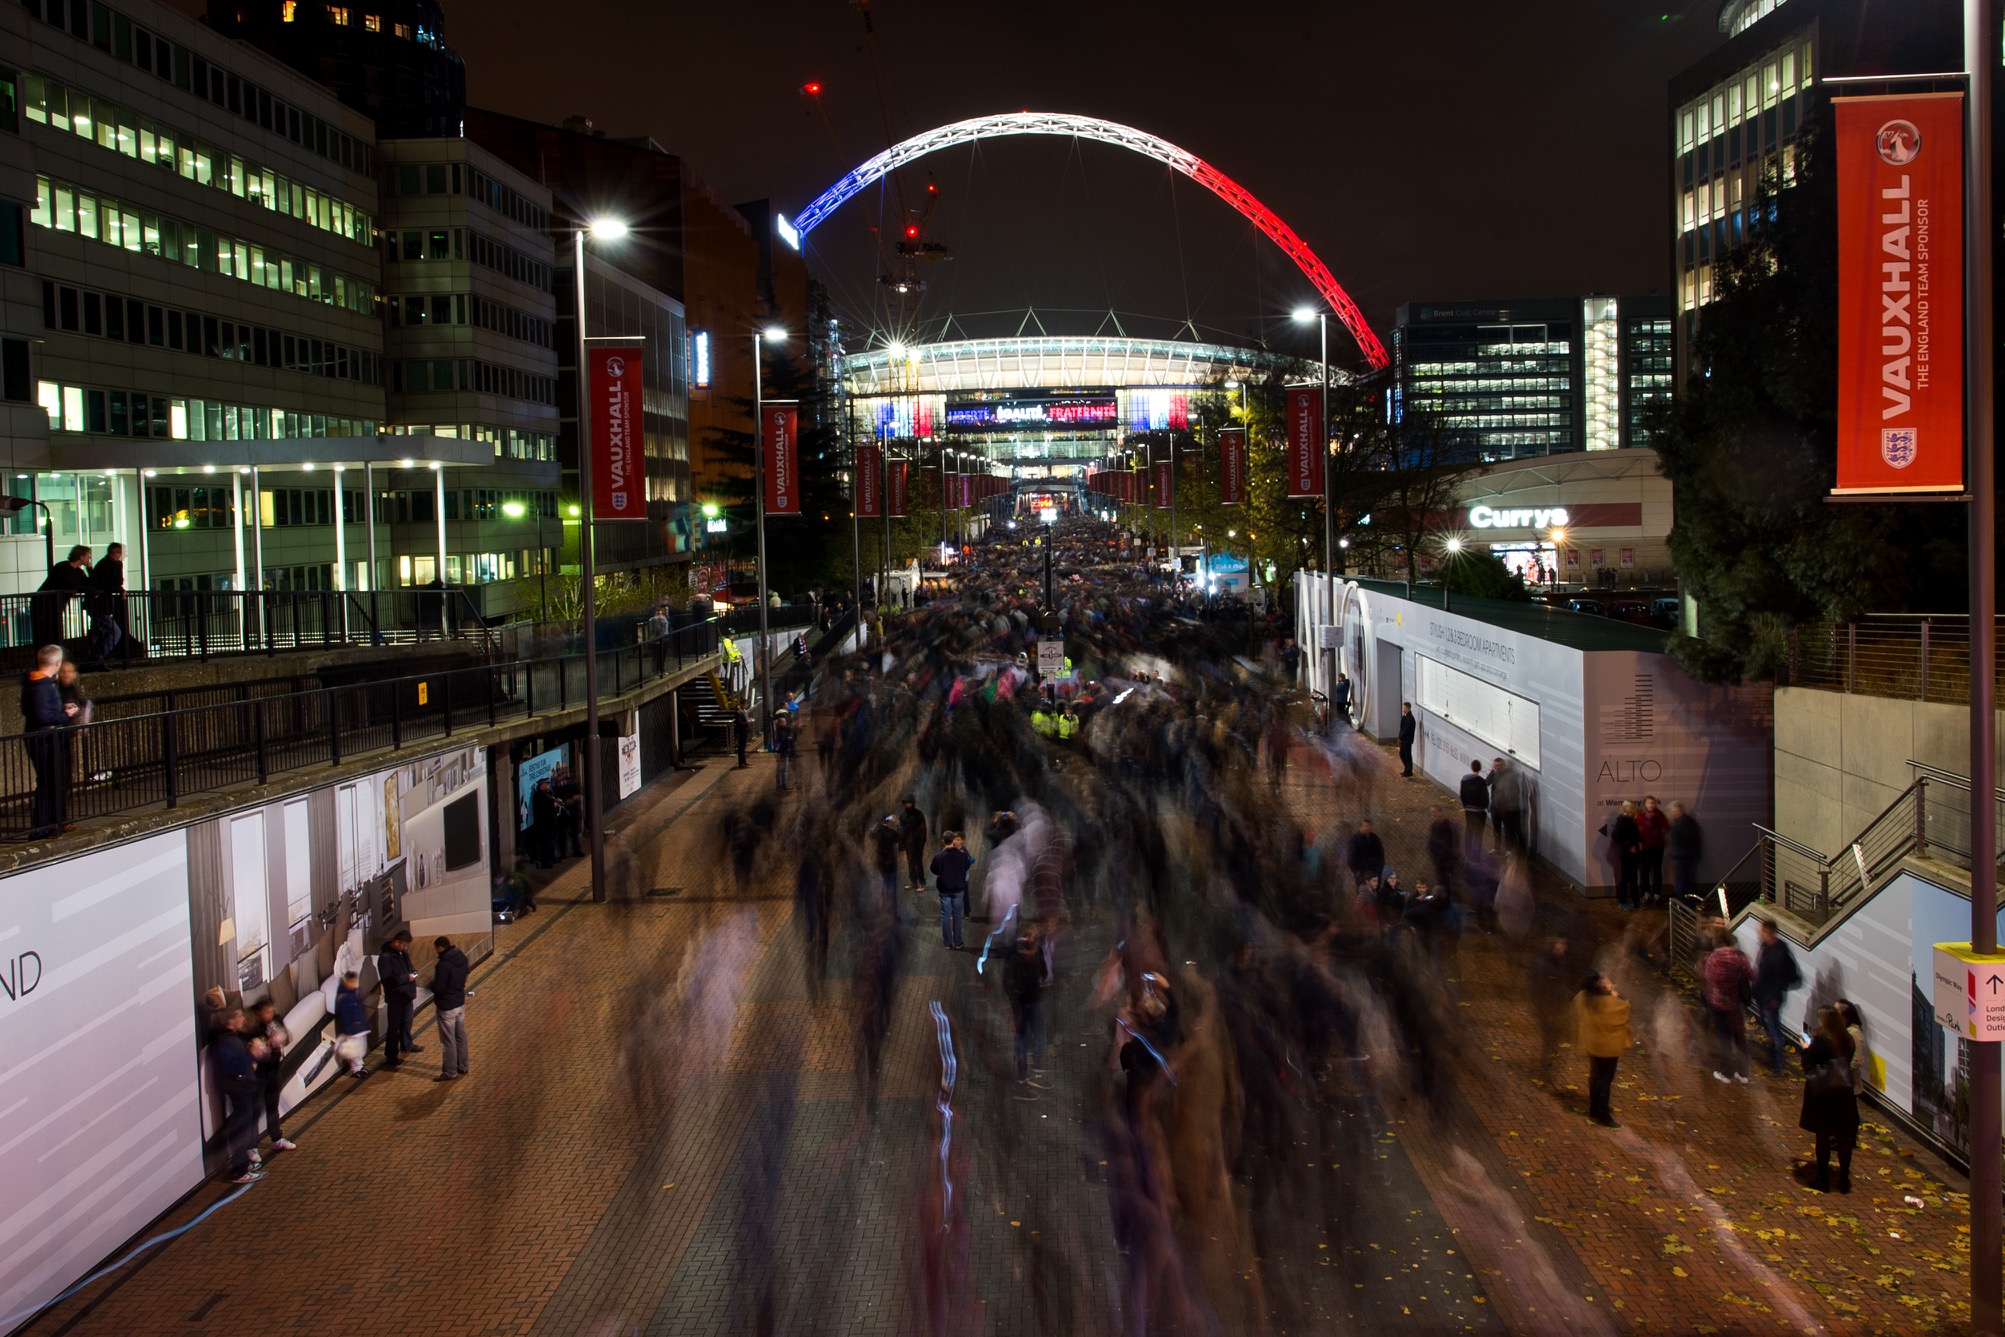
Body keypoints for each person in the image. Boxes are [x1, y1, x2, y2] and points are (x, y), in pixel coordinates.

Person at [1798, 1005, 1860, 1193]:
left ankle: (1823, 1179)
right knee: (1844, 1137)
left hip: (1824, 1095)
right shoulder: (1847, 1039)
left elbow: (1807, 1061)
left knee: (1823, 1136)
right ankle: (1843, 1181)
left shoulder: (1821, 1041)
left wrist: (1805, 1046)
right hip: (1844, 1094)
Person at [20, 644, 75, 837]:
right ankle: (40, 828)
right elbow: (43, 715)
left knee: (50, 781)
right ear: (57, 663)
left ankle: (50, 824)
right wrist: (65, 715)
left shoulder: (36, 682)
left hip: (42, 737)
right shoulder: (41, 685)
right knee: (47, 782)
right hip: (44, 739)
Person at [1574, 971, 1633, 1128]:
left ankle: (1594, 1108)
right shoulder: (1609, 1003)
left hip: (1592, 1043)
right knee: (1605, 1079)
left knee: (1595, 1075)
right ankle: (1603, 1115)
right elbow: (1625, 1007)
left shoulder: (1583, 998)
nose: (1609, 981)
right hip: (1607, 1047)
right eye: (1605, 980)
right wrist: (1614, 993)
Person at [212, 1007, 263, 1182]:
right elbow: (231, 1067)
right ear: (230, 1021)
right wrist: (250, 1056)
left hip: (244, 1088)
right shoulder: (226, 1042)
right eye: (239, 1016)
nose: (243, 1018)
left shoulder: (233, 1039)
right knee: (241, 1129)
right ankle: (239, 1170)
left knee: (246, 1125)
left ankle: (243, 1164)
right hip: (239, 1090)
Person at [244, 997, 296, 1156]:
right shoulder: (252, 1028)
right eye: (266, 1012)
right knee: (255, 1110)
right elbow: (247, 1050)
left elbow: (286, 1038)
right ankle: (251, 1146)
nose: (269, 1014)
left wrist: (281, 1037)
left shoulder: (276, 1020)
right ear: (258, 1013)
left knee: (272, 1107)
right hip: (258, 1075)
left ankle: (276, 1139)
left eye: (271, 1011)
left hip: (274, 1071)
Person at [1752, 917, 1803, 1075]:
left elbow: (1779, 978)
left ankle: (1778, 1063)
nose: (1758, 933)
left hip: (1770, 997)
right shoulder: (1766, 947)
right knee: (1770, 1027)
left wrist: (1775, 997)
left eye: (1761, 930)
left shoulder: (1779, 953)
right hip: (1762, 994)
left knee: (1774, 1030)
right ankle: (1773, 1059)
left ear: (1768, 932)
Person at [1702, 930, 1754, 1084]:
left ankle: (1726, 1073)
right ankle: (1743, 1073)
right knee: (1739, 1037)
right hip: (1735, 1003)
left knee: (1725, 1038)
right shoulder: (1741, 957)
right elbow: (1751, 975)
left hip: (1719, 1003)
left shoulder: (1714, 957)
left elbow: (1709, 978)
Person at [1003, 926, 1052, 1086]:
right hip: (1034, 1000)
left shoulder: (1014, 958)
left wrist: (1012, 1000)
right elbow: (1045, 975)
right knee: (1040, 1032)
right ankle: (1037, 1064)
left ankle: (1022, 1073)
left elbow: (1006, 982)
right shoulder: (1037, 954)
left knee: (1022, 1037)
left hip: (1019, 1005)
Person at [32, 545, 91, 649]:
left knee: (56, 632)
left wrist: (90, 569)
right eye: (87, 555)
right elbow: (67, 584)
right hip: (43, 604)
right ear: (81, 556)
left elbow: (90, 583)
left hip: (56, 605)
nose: (89, 558)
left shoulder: (78, 572)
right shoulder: (62, 567)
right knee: (44, 633)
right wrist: (87, 589)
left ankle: (54, 655)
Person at [377, 929, 421, 1069]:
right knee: (394, 1027)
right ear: (396, 942)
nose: (405, 948)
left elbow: (410, 967)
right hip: (396, 997)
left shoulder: (403, 953)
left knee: (407, 1022)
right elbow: (388, 980)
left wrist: (414, 974)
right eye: (404, 945)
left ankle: (407, 1044)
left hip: (406, 994)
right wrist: (406, 978)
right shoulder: (385, 958)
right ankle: (391, 1056)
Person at [83, 542, 127, 669]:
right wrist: (120, 589)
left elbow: (114, 582)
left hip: (97, 604)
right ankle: (96, 659)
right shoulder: (107, 565)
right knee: (114, 632)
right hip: (100, 605)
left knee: (97, 634)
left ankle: (91, 661)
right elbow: (109, 583)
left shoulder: (106, 564)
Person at [432, 935, 470, 1081]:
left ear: (440, 948)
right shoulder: (461, 957)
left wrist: (431, 986)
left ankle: (450, 1071)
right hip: (459, 1002)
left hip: (447, 1006)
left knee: (448, 1040)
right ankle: (463, 1065)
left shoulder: (443, 965)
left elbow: (440, 987)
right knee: (460, 1035)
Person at [930, 830, 975, 950]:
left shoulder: (939, 857)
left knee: (945, 915)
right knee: (957, 915)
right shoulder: (962, 855)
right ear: (953, 841)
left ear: (943, 841)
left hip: (944, 889)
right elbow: (966, 866)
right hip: (958, 889)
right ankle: (958, 942)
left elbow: (934, 870)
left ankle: (947, 943)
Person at [333, 971, 371, 1079]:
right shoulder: (344, 998)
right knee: (354, 1051)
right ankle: (356, 1069)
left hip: (360, 1028)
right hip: (353, 1031)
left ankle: (360, 1066)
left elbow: (360, 1011)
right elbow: (345, 1016)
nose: (355, 983)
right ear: (347, 982)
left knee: (360, 1049)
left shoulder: (354, 994)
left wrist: (366, 1024)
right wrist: (348, 1031)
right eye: (352, 981)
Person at [1606, 801, 1643, 910]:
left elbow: (1635, 834)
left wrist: (1639, 842)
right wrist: (1629, 846)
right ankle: (1622, 901)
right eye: (1632, 807)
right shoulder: (1622, 821)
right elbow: (1616, 836)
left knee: (1634, 878)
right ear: (1627, 809)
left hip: (1634, 852)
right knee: (1626, 878)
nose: (1634, 809)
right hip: (1626, 854)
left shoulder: (1632, 820)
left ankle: (1636, 900)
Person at [1667, 802, 1703, 903]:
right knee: (1687, 882)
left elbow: (1680, 840)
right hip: (1687, 857)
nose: (1670, 813)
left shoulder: (1681, 823)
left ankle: (1683, 904)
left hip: (1681, 858)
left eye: (1672, 811)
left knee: (1682, 883)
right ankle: (1688, 904)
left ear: (1677, 811)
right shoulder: (1688, 821)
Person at [1488, 757, 1525, 853]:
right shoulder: (1495, 775)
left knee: (1508, 830)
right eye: (1496, 766)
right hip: (1495, 808)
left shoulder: (1511, 776)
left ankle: (1509, 849)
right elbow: (1486, 782)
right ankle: (1496, 848)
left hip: (1506, 809)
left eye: (1499, 765)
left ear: (1503, 765)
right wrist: (1492, 771)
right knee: (1496, 830)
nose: (1498, 767)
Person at [1638, 795, 1670, 903]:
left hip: (1657, 847)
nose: (1651, 805)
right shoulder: (1640, 815)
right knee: (1644, 871)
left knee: (1657, 871)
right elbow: (1635, 831)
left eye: (1653, 803)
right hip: (1644, 848)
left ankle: (1657, 893)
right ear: (1645, 804)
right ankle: (1645, 892)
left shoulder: (1659, 815)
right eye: (1649, 803)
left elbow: (1666, 827)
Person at [1459, 760, 1490, 858]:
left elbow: (1462, 794)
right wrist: (1484, 806)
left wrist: (1466, 805)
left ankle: (1467, 855)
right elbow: (1485, 797)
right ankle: (1476, 857)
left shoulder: (1465, 780)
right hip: (1480, 812)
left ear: (1471, 767)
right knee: (1478, 835)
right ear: (1480, 769)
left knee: (1469, 832)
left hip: (1469, 810)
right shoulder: (1481, 782)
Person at [530, 778, 561, 869]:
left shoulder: (549, 793)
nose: (548, 785)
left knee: (551, 842)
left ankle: (551, 858)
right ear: (541, 785)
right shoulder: (538, 796)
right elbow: (542, 809)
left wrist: (555, 802)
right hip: (543, 824)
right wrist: (553, 805)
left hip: (551, 822)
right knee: (545, 843)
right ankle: (545, 861)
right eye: (546, 784)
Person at [900, 795, 929, 891]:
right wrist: (902, 844)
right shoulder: (903, 816)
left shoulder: (918, 814)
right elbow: (902, 830)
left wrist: (921, 844)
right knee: (910, 863)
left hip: (917, 844)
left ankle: (921, 882)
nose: (908, 805)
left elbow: (923, 830)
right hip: (909, 845)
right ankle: (913, 881)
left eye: (909, 803)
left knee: (918, 863)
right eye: (906, 803)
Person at [1346, 819, 1386, 887]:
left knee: (1375, 890)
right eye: (1364, 826)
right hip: (1362, 871)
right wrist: (1356, 871)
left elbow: (1381, 854)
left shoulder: (1375, 838)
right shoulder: (1355, 839)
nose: (1367, 828)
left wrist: (1380, 868)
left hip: (1375, 870)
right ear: (1360, 827)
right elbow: (1351, 856)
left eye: (1368, 826)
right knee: (1363, 890)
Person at [1397, 702, 1417, 777]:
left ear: (1408, 708)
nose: (1403, 709)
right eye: (1403, 708)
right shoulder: (1405, 717)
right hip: (1404, 740)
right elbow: (1402, 729)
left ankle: (1408, 770)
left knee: (1406, 755)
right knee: (1402, 754)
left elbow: (1406, 730)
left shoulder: (1410, 719)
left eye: (1404, 708)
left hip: (1407, 740)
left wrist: (1400, 737)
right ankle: (1407, 769)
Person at [732, 704, 751, 768]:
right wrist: (748, 722)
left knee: (743, 747)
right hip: (741, 731)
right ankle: (741, 763)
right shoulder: (739, 713)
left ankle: (744, 761)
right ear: (742, 705)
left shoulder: (744, 712)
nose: (746, 706)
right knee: (741, 747)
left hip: (744, 731)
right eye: (745, 704)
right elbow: (740, 723)